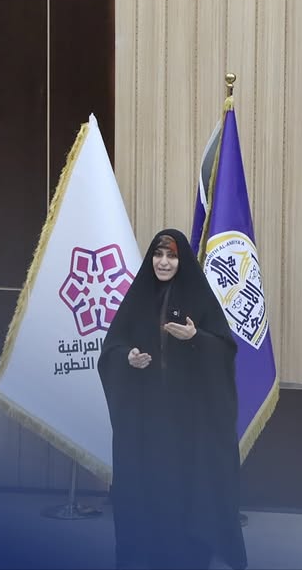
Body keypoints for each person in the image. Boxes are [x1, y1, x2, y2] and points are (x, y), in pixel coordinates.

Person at [97, 228, 247, 570]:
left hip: (189, 420)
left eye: (172, 256)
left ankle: (189, 554)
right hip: (147, 417)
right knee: (149, 485)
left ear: (182, 261)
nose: (163, 262)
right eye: (158, 254)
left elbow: (225, 350)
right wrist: (128, 358)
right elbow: (112, 349)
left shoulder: (199, 297)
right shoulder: (138, 297)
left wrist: (196, 337)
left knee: (187, 488)